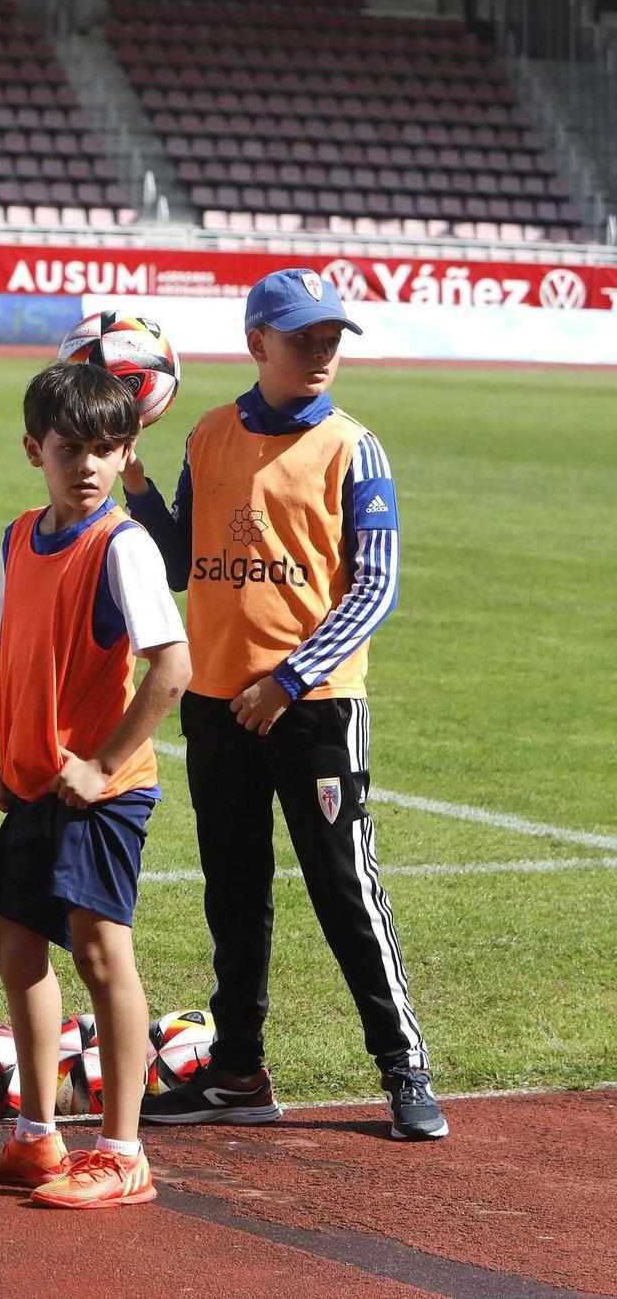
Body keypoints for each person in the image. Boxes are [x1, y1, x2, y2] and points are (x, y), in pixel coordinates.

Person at [123, 269, 444, 1141]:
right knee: (233, 890)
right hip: (219, 704)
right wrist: (139, 490)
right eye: (304, 337)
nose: (323, 351)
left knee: (346, 889)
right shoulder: (207, 435)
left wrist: (290, 679)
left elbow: (375, 588)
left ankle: (403, 1063)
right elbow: (185, 562)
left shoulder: (354, 447)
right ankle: (237, 1072)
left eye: (331, 337)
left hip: (314, 708)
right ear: (258, 342)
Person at [0, 361, 189, 1208]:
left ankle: (124, 1151)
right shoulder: (18, 537)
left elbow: (171, 669)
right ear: (35, 449)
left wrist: (101, 765)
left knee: (102, 956)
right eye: (70, 448)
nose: (89, 465)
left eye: (107, 448)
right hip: (40, 784)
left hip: (104, 789)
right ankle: (37, 1137)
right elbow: (23, 651)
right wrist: (14, 758)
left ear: (127, 449)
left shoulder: (123, 544)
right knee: (14, 947)